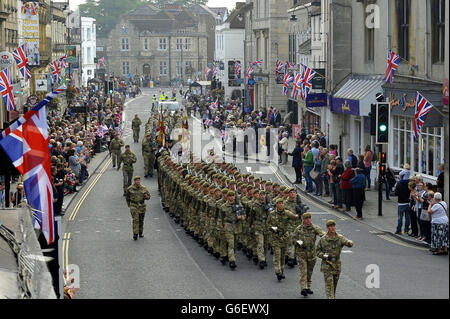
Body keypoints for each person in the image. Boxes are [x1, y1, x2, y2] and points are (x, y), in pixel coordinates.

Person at [316, 220, 354, 299]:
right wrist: (325, 256)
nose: (333, 228)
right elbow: (317, 251)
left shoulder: (339, 237)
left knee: (334, 287)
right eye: (330, 226)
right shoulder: (323, 239)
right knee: (329, 287)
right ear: (327, 228)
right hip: (327, 265)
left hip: (336, 265)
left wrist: (350, 243)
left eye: (333, 226)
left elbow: (347, 242)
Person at [292, 212, 325, 297]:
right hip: (301, 253)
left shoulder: (314, 228)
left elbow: (322, 234)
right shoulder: (299, 229)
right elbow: (293, 239)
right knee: (303, 272)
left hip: (312, 254)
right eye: (306, 219)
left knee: (309, 272)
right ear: (303, 220)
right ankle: (303, 288)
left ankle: (308, 287)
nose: (308, 220)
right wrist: (299, 242)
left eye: (309, 218)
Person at [267, 198, 299, 281]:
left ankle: (281, 271)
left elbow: (295, 217)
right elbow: (267, 224)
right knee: (277, 255)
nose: (281, 205)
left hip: (284, 238)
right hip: (275, 237)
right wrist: (272, 228)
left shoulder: (287, 213)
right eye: (279, 203)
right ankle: (277, 271)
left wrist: (299, 213)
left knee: (282, 256)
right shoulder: (272, 214)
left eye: (282, 203)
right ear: (277, 205)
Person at [395, 166, 411, 235]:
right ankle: (406, 230)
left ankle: (399, 230)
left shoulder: (399, 184)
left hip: (401, 203)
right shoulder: (410, 183)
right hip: (408, 203)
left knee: (400, 217)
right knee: (407, 217)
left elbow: (396, 193)